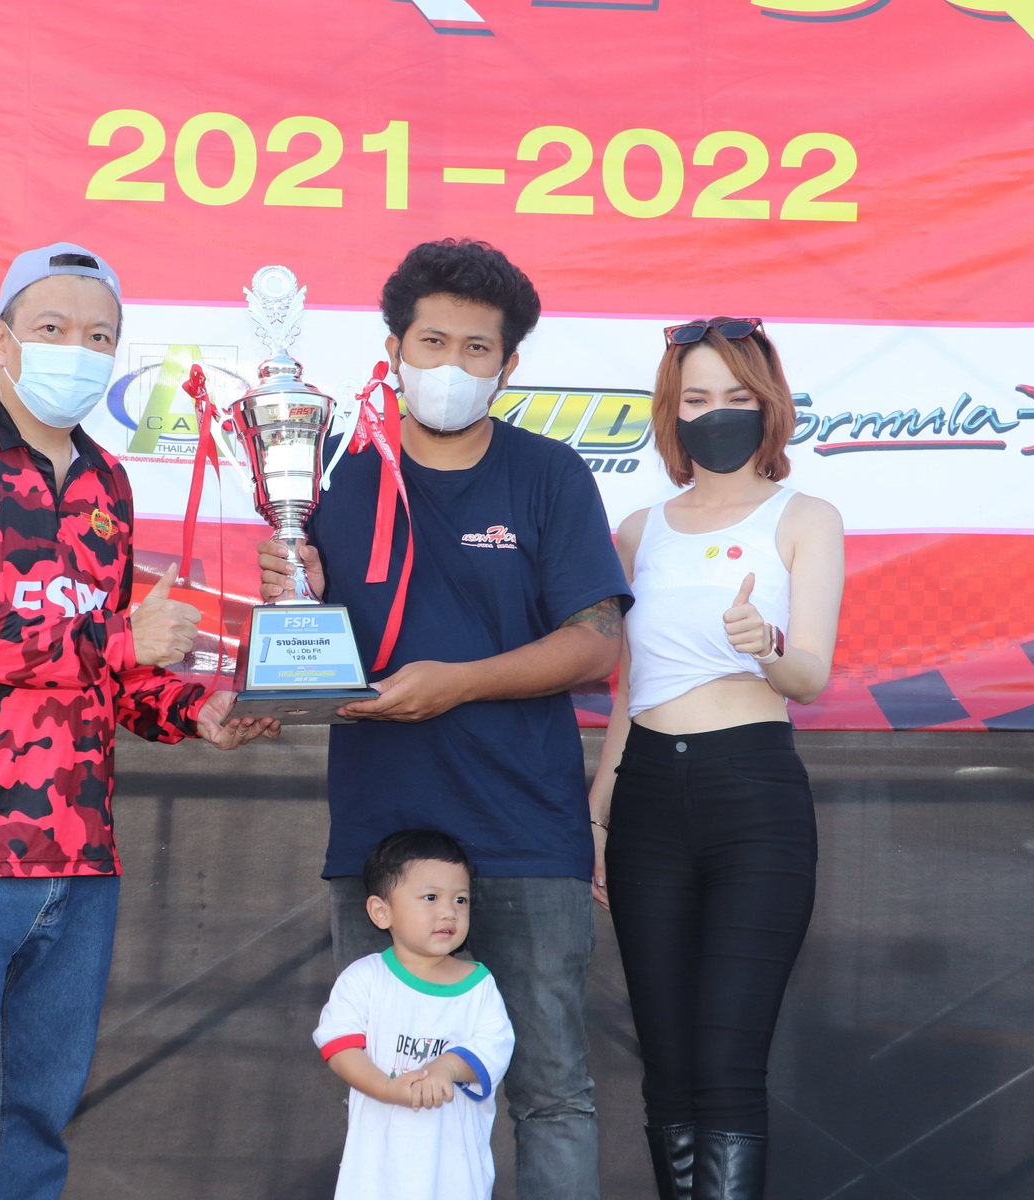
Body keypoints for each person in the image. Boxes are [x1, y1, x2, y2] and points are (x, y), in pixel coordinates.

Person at [0, 242, 272, 1200]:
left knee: (33, 1125)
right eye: (52, 328)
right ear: (1, 339)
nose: (77, 350)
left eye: (99, 336)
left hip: (81, 851)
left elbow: (109, 674)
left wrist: (196, 710)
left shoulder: (106, 481)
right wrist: (123, 636)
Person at [260, 238, 629, 1197]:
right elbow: (311, 642)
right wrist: (297, 593)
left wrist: (457, 682)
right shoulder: (332, 476)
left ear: (510, 364)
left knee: (551, 1093)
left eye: (477, 349)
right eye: (432, 342)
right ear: (393, 349)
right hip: (383, 843)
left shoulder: (549, 476)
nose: (452, 366)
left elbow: (596, 646)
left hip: (526, 834)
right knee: (386, 1089)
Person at [589, 317, 845, 1200]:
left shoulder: (806, 518)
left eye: (736, 396)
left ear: (767, 404)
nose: (716, 413)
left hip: (754, 795)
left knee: (728, 1063)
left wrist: (764, 645)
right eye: (696, 398)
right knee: (666, 1068)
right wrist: (600, 810)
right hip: (648, 798)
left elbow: (810, 675)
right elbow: (629, 687)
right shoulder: (637, 530)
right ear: (672, 410)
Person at [314, 830, 515, 1200]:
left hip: (454, 1181)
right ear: (381, 912)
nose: (449, 911)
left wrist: (447, 1067)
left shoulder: (479, 986)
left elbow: (494, 1048)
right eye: (431, 897)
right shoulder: (364, 978)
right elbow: (339, 1047)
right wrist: (386, 1088)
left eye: (460, 899)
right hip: (375, 1180)